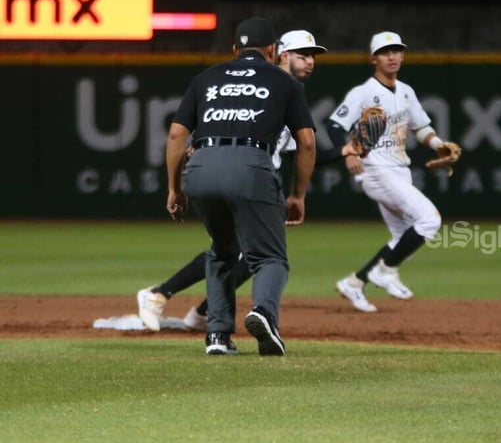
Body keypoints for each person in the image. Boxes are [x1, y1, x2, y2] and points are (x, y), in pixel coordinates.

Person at [139, 29, 356, 332]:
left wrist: (342, 151)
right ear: (280, 52)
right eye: (303, 55)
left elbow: (304, 152)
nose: (310, 62)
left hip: (258, 178)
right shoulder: (277, 84)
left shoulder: (283, 87)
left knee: (239, 254)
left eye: (313, 56)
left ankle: (202, 313)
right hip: (249, 175)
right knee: (242, 252)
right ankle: (162, 294)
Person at [165, 17, 316, 355]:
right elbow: (306, 143)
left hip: (201, 167)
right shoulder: (283, 81)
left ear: (234, 49)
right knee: (270, 256)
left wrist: (174, 189)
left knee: (221, 250)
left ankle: (217, 336)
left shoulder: (206, 77)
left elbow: (176, 134)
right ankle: (263, 313)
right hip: (250, 166)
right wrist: (298, 194)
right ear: (272, 50)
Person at [332, 31, 457, 313]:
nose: (392, 56)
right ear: (373, 58)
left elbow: (421, 127)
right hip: (375, 170)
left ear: (402, 55)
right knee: (429, 220)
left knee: (403, 238)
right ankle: (385, 270)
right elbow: (334, 126)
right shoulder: (363, 93)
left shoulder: (406, 91)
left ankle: (356, 281)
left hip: (399, 170)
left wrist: (438, 145)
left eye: (397, 50)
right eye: (385, 51)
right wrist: (349, 152)